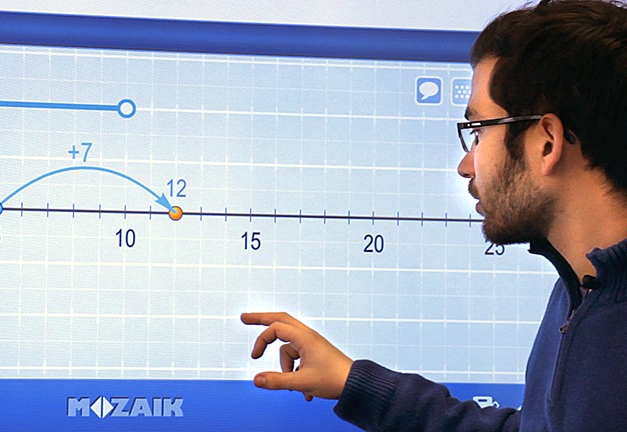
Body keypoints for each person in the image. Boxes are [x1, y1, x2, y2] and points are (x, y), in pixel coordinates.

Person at [241, 0, 627, 430]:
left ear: (546, 142)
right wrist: (356, 384)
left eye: (478, 132)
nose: (466, 165)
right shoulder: (579, 290)